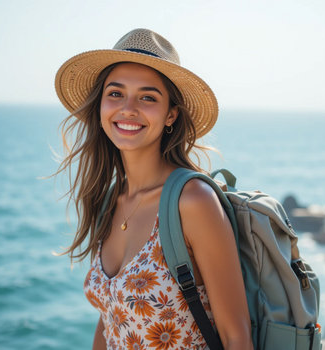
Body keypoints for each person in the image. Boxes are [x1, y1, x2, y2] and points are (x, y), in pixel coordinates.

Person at [54, 28, 253, 350]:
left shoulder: (192, 201)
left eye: (148, 97)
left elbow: (236, 337)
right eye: (115, 93)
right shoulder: (110, 200)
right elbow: (109, 322)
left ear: (170, 114)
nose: (128, 108)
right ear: (100, 106)